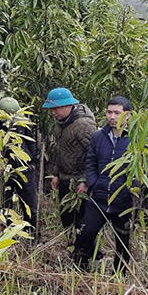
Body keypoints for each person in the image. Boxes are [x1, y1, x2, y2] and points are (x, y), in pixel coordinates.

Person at [74, 96, 134, 273]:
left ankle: (119, 276)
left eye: (117, 112)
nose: (112, 116)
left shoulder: (135, 140)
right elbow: (91, 162)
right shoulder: (98, 136)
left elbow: (139, 170)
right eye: (109, 112)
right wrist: (93, 183)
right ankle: (81, 269)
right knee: (86, 234)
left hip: (123, 201)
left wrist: (132, 192)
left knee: (122, 242)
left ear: (128, 115)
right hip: (99, 198)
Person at [42, 87, 96, 230]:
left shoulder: (84, 124)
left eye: (56, 108)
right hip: (65, 180)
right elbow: (61, 151)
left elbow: (94, 154)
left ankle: (89, 252)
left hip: (80, 183)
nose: (53, 112)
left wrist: (86, 181)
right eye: (51, 109)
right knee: (67, 220)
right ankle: (73, 250)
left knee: (83, 223)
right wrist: (56, 174)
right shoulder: (61, 124)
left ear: (68, 105)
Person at [0, 97, 38, 232]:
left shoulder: (24, 124)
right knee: (5, 205)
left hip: (24, 168)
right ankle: (7, 233)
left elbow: (31, 143)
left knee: (30, 205)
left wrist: (32, 161)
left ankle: (32, 234)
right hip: (3, 170)